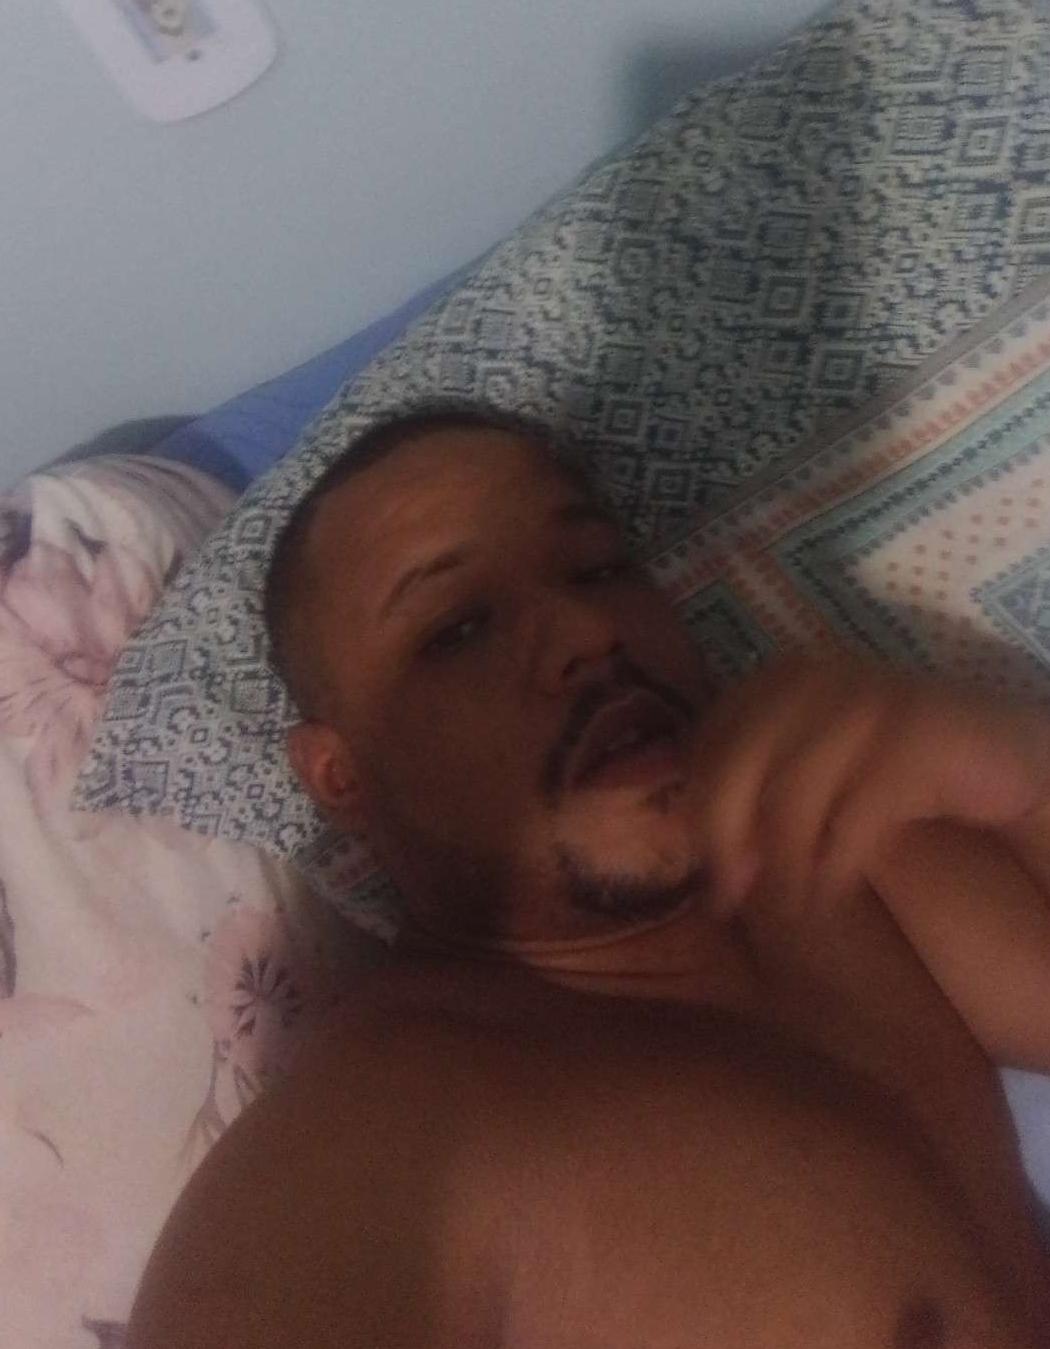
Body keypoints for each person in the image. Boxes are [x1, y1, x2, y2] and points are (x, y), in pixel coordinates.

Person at [127, 409, 1050, 1347]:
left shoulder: (840, 854)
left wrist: (1018, 768)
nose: (591, 628)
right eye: (459, 629)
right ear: (341, 776)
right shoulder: (373, 1147)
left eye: (600, 568)